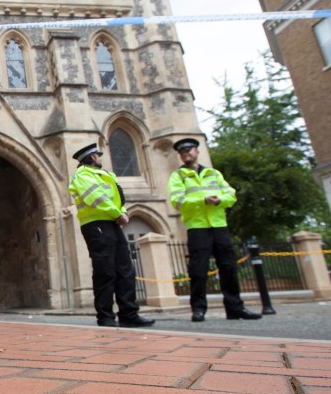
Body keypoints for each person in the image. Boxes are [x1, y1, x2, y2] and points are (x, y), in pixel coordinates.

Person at [167, 138, 261, 322]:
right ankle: (199, 309)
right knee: (198, 270)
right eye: (182, 152)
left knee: (228, 267)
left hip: (219, 226)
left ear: (196, 151)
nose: (186, 154)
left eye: (189, 150)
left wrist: (218, 200)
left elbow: (230, 195)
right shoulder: (178, 176)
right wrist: (203, 201)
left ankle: (235, 307)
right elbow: (177, 201)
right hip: (197, 226)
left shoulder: (213, 173)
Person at [69, 143, 155, 328]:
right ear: (92, 157)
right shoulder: (83, 175)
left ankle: (129, 314)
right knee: (105, 271)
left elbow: (118, 197)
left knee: (125, 270)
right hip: (96, 225)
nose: (100, 158)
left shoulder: (106, 175)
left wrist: (120, 212)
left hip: (112, 223)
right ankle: (105, 316)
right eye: (98, 155)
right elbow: (95, 198)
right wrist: (118, 214)